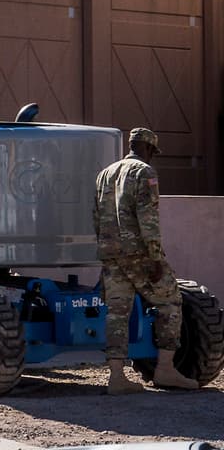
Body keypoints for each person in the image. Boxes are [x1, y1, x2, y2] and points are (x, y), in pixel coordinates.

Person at [93, 127, 198, 394]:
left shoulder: (105, 174)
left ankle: (116, 377)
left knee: (117, 313)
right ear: (148, 148)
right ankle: (165, 370)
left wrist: (106, 253)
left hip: (111, 253)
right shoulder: (144, 172)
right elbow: (147, 219)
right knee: (171, 300)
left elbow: (96, 217)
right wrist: (154, 258)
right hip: (139, 253)